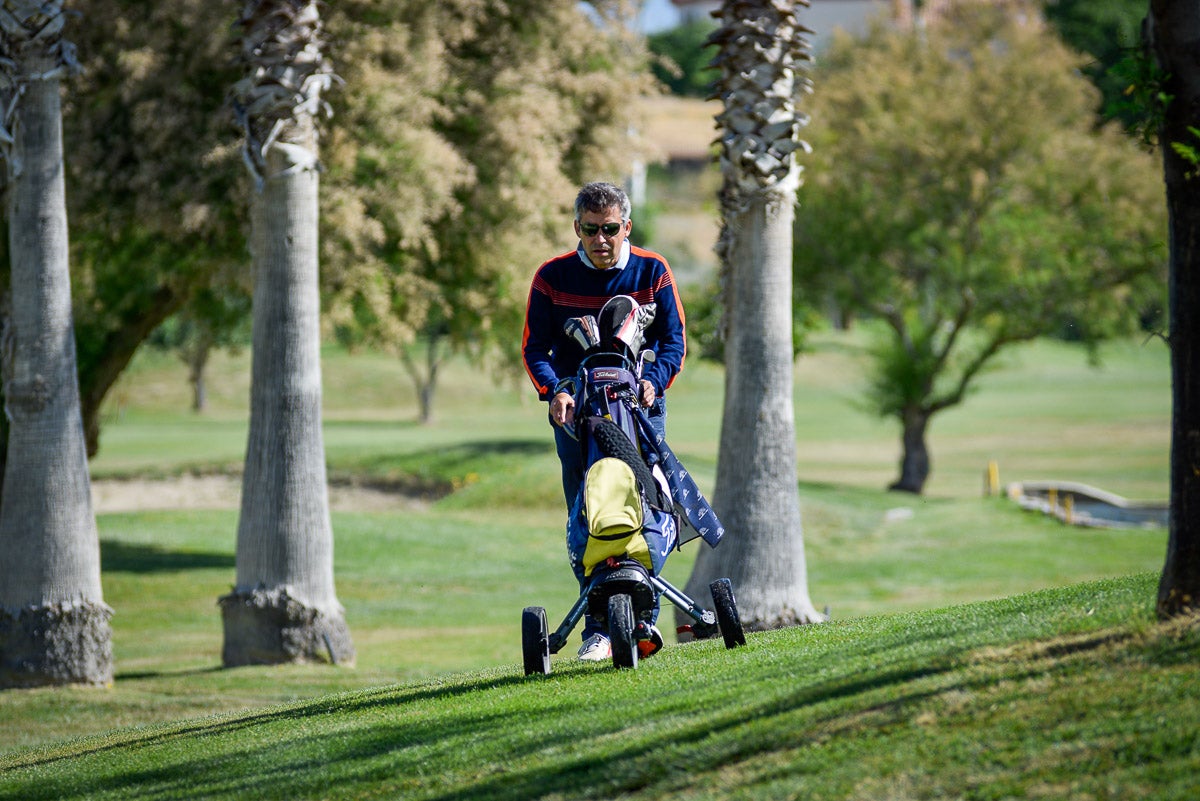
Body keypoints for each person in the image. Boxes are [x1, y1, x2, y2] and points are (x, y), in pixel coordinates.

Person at [522, 181, 687, 662]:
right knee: (586, 507)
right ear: (577, 228)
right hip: (575, 412)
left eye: (610, 229)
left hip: (638, 405)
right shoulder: (552, 277)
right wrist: (555, 392)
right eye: (591, 230)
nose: (601, 239)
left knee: (648, 499)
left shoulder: (652, 270)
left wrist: (655, 381)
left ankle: (644, 614)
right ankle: (597, 627)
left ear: (626, 227)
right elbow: (535, 348)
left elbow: (674, 343)